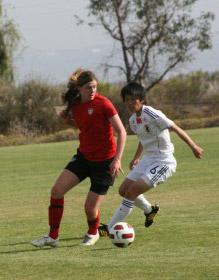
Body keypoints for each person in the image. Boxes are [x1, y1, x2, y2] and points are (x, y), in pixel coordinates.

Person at [31, 69, 126, 247]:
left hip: (105, 163)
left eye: (95, 87)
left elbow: (121, 131)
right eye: (89, 87)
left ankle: (93, 232)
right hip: (83, 158)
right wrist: (64, 117)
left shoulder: (104, 104)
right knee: (56, 191)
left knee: (90, 208)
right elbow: (79, 121)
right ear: (80, 89)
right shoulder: (75, 104)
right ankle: (53, 237)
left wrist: (117, 159)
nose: (93, 91)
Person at [98, 82, 203, 236]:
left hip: (164, 161)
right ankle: (149, 210)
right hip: (148, 159)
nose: (129, 103)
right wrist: (136, 158)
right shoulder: (133, 121)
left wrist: (193, 146)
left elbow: (175, 127)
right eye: (127, 99)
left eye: (133, 100)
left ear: (142, 100)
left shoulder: (153, 114)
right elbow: (143, 139)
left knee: (131, 192)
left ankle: (110, 228)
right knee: (123, 190)